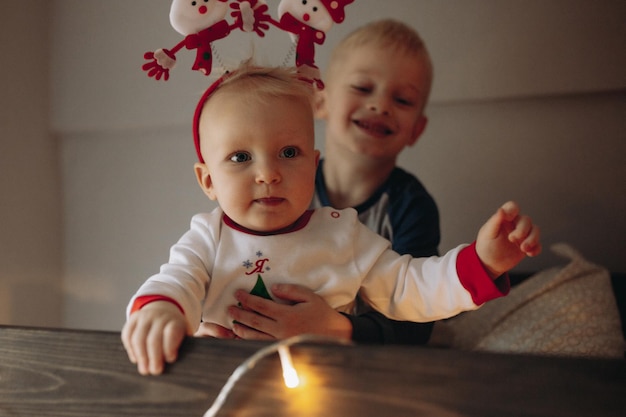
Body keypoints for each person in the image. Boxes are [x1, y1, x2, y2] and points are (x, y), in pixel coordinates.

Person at [121, 62, 541, 375]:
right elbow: (177, 280)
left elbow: (413, 288)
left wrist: (483, 263)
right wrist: (162, 310)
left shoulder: (344, 234)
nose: (268, 172)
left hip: (330, 390)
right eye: (240, 157)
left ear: (314, 162)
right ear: (208, 180)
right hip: (229, 386)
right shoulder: (208, 237)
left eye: (289, 153)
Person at [208, 19, 442, 344]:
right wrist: (212, 321)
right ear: (320, 101)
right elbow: (229, 266)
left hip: (367, 364)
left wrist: (337, 328)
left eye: (402, 100)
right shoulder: (272, 189)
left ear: (417, 129)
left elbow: (416, 323)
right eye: (362, 88)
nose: (380, 105)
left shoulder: (412, 207)